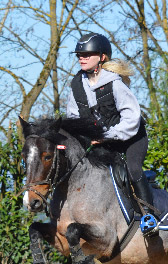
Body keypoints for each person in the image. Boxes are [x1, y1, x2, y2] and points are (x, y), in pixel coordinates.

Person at [65, 32, 159, 237]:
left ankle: (149, 217)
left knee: (132, 170)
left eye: (87, 54)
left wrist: (108, 136)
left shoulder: (115, 83)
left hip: (132, 137)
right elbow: (73, 118)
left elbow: (132, 118)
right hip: (101, 141)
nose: (81, 57)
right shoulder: (76, 86)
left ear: (102, 57)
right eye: (79, 54)